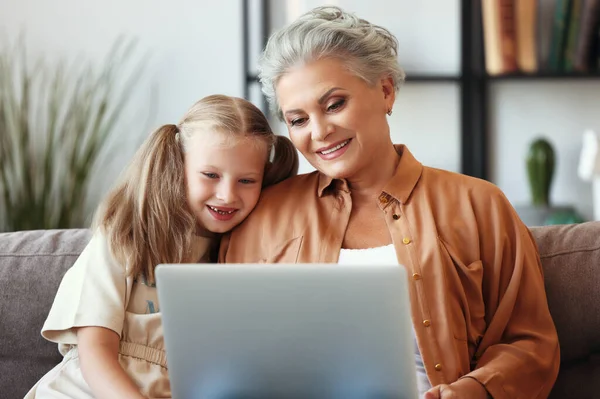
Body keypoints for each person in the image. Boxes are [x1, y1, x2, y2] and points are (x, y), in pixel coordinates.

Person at [219, 6, 560, 399]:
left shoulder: (479, 204)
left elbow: (532, 346)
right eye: (297, 120)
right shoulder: (263, 216)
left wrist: (473, 391)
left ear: (385, 91)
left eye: (334, 104)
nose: (320, 131)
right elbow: (230, 350)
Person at [25, 94, 298, 399]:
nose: (226, 195)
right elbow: (95, 353)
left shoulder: (239, 255)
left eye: (246, 181)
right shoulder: (126, 236)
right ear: (178, 165)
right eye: (210, 175)